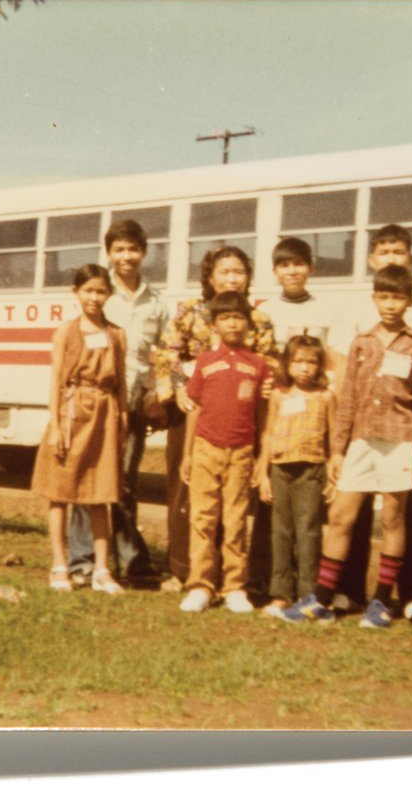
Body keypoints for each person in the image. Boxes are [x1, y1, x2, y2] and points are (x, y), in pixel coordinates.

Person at [285, 264, 412, 628]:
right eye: (383, 296)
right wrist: (338, 450)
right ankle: (321, 598)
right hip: (361, 442)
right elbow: (348, 398)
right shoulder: (361, 343)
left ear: (409, 301)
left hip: (400, 441)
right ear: (374, 299)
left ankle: (381, 602)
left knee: (392, 520)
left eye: (397, 297)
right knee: (341, 516)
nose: (390, 304)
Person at [327, 224, 412, 621]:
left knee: (401, 515)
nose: (392, 259)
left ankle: (411, 594)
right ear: (371, 259)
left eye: (399, 252)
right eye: (385, 252)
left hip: (400, 430)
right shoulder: (356, 312)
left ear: (409, 259)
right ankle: (347, 591)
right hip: (363, 426)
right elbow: (344, 369)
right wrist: (340, 438)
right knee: (351, 512)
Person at [154, 246, 276, 589]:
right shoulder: (190, 313)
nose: (232, 278)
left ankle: (230, 575)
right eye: (224, 271)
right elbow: (166, 354)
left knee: (235, 499)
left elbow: (270, 363)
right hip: (192, 412)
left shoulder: (258, 319)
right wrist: (177, 387)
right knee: (187, 490)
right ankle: (183, 570)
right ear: (209, 277)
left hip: (238, 418)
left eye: (238, 271)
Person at [67, 220, 168, 585]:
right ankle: (81, 561)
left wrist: (157, 397)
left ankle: (131, 562)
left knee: (123, 482)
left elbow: (164, 354)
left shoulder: (157, 302)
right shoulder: (99, 293)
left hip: (134, 403)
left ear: (144, 252)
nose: (127, 257)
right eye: (119, 250)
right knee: (86, 479)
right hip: (95, 402)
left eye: (133, 249)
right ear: (108, 254)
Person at [248, 236, 338, 600]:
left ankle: (308, 590)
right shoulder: (264, 311)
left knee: (307, 523)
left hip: (312, 419)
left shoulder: (326, 310)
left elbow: (331, 359)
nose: (293, 271)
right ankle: (268, 583)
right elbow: (259, 359)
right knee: (273, 517)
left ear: (311, 268)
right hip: (276, 410)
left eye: (299, 264)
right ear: (274, 271)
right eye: (285, 265)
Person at [30, 264, 128, 595]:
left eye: (101, 291)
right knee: (60, 492)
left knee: (101, 494)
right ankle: (60, 564)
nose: (94, 297)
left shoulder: (116, 334)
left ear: (109, 294)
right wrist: (57, 426)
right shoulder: (66, 333)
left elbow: (122, 385)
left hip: (104, 417)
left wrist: (122, 421)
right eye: (88, 290)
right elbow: (57, 381)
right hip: (72, 415)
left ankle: (101, 569)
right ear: (76, 292)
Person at [177, 291, 269, 614]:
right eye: (225, 317)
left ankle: (234, 587)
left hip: (241, 451)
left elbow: (262, 416)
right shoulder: (204, 362)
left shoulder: (258, 365)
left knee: (235, 520)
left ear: (247, 322)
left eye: (238, 316)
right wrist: (188, 454)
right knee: (203, 518)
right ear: (214, 324)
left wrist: (261, 457)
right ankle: (201, 585)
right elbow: (194, 408)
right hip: (205, 447)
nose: (232, 323)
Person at [254, 334, 336, 619]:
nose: (304, 368)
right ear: (287, 364)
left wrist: (333, 473)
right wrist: (263, 473)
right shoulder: (279, 395)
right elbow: (268, 433)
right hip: (280, 468)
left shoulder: (325, 397)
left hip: (311, 469)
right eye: (298, 361)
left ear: (320, 366)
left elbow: (333, 439)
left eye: (311, 362)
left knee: (309, 531)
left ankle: (308, 593)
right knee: (280, 532)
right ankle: (280, 593)